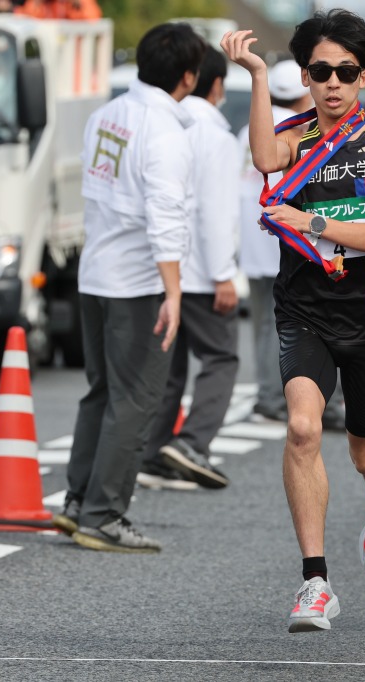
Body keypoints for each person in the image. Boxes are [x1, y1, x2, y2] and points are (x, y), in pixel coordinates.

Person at [222, 9, 365, 633]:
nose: (334, 84)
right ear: (305, 75)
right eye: (321, 72)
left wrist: (314, 222)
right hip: (303, 308)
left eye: (347, 72)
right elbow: (261, 156)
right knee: (304, 430)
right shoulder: (297, 138)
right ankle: (315, 582)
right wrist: (256, 74)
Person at [51, 23, 204, 553]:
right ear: (188, 76)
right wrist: (175, 291)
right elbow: (165, 218)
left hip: (95, 275)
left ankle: (77, 501)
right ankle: (104, 513)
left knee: (101, 393)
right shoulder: (164, 134)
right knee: (136, 400)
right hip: (138, 284)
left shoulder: (105, 116)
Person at [137, 45, 239, 492]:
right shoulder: (216, 136)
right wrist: (223, 274)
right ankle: (193, 442)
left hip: (164, 268)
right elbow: (215, 212)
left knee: (171, 365)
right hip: (201, 272)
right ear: (214, 85)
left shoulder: (162, 122)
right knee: (221, 357)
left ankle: (152, 450)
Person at [239, 59, 312, 425]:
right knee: (292, 326)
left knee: (263, 326)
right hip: (289, 243)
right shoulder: (298, 130)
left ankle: (267, 396)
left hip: (251, 243)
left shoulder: (250, 128)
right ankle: (276, 399)